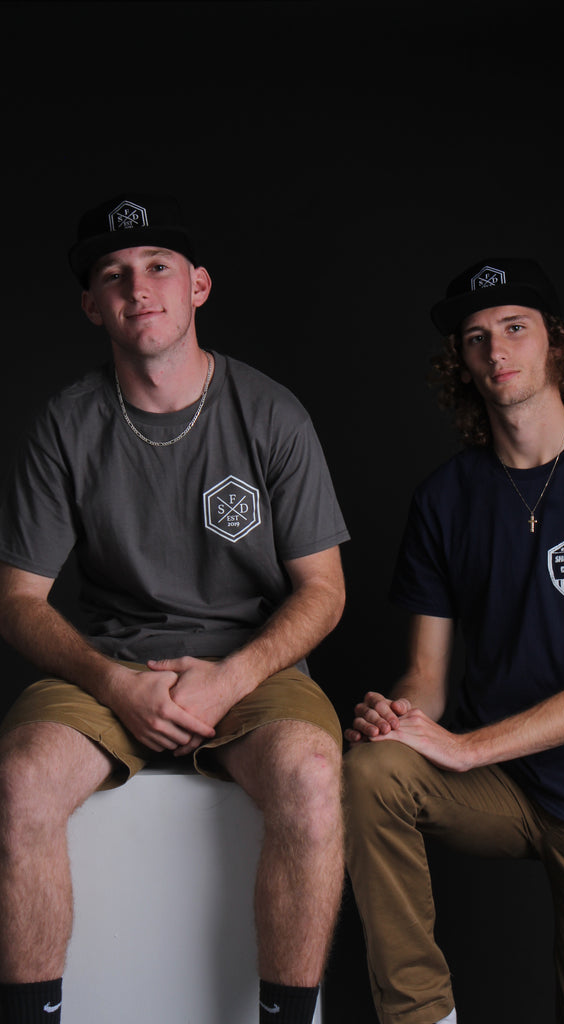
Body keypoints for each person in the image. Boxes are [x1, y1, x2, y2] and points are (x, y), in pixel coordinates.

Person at [0, 192, 349, 1024]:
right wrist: (114, 684)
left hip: (250, 666)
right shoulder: (67, 423)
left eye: (158, 266)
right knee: (20, 783)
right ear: (93, 305)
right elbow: (16, 600)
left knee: (309, 773)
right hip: (110, 663)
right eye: (113, 274)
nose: (138, 287)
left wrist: (229, 679)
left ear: (198, 286)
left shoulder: (270, 412)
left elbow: (324, 589)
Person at [343, 257, 564, 1024]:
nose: (495, 349)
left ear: (556, 344)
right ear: (460, 364)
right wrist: (398, 717)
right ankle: (421, 1016)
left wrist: (466, 748)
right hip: (498, 788)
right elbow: (426, 677)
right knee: (370, 769)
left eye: (514, 327)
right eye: (474, 337)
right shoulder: (443, 498)